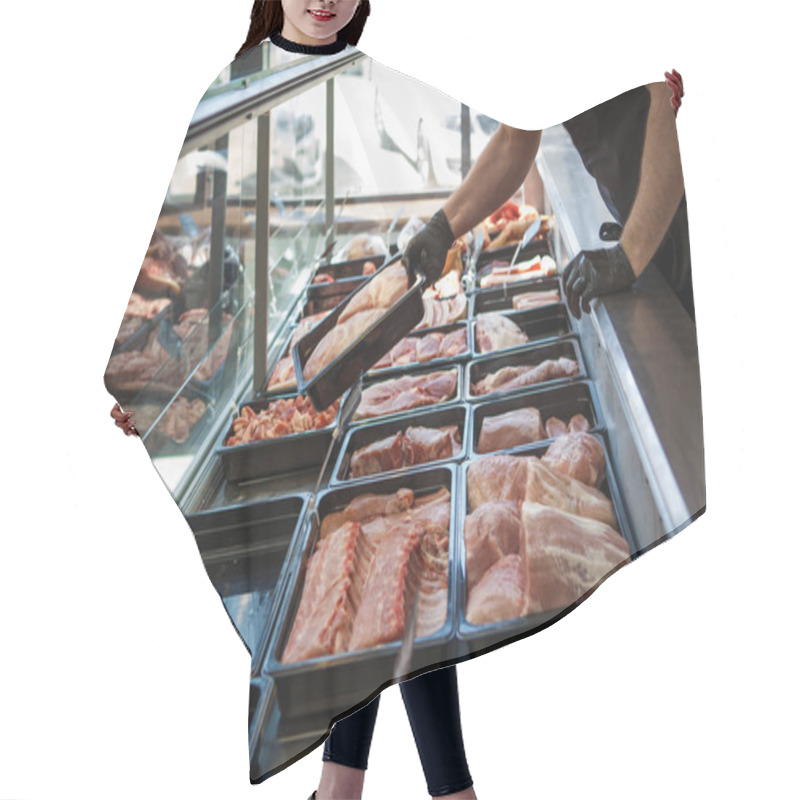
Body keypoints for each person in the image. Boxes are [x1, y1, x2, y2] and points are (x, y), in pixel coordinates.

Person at [403, 72, 694, 322]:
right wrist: (442, 228)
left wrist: (629, 254)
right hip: (653, 231)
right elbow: (513, 140)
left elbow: (672, 88)